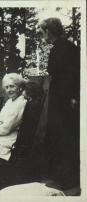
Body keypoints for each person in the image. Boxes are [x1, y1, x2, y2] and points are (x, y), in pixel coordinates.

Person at [38, 17, 80, 189]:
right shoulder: (62, 47)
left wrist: (72, 97)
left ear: (49, 30)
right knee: (59, 137)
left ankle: (67, 180)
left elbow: (73, 75)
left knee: (65, 138)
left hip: (65, 101)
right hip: (61, 100)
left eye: (41, 31)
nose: (41, 35)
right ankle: (60, 176)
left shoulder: (65, 48)